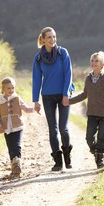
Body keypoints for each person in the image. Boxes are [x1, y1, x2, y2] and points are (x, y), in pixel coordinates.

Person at [32, 27, 75, 171]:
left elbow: (68, 74)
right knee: (52, 129)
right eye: (49, 37)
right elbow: (36, 79)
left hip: (63, 94)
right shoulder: (38, 59)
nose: (52, 40)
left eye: (54, 37)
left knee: (63, 128)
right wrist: (35, 100)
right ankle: (57, 162)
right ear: (43, 39)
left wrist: (65, 94)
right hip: (47, 96)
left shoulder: (63, 53)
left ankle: (67, 157)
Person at [69, 51, 104, 169]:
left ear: (102, 65)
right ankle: (95, 150)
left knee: (102, 137)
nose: (94, 62)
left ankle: (100, 159)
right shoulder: (88, 78)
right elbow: (84, 94)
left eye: (97, 61)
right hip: (92, 114)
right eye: (92, 60)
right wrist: (70, 101)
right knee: (89, 137)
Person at [0, 77, 35, 178]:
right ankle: (14, 166)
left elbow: (25, 108)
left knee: (17, 146)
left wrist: (34, 109)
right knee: (10, 147)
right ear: (3, 89)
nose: (11, 90)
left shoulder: (17, 98)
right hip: (6, 128)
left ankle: (17, 163)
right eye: (8, 88)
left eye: (12, 88)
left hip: (18, 127)